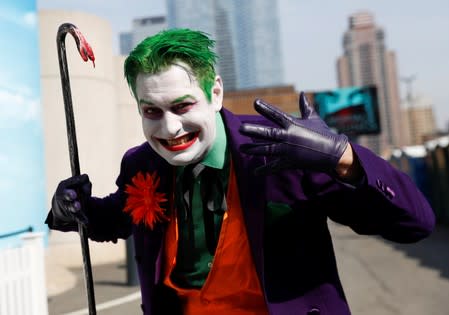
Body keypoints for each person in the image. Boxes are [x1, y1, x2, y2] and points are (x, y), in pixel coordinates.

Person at [46, 28, 435, 315]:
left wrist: (344, 158)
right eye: (152, 111)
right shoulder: (141, 163)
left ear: (214, 93)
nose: (169, 129)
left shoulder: (282, 150)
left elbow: (415, 225)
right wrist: (75, 211)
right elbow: (115, 219)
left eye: (183, 106)